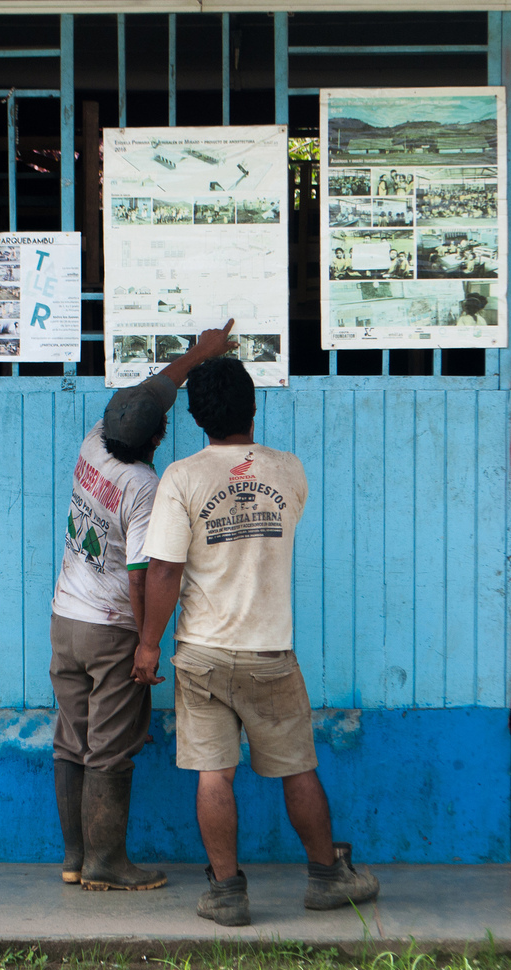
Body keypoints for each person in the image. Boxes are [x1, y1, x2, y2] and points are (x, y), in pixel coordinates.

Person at [132, 358, 380, 926]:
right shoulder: (288, 470)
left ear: (195, 416)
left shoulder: (182, 478)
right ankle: (326, 877)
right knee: (297, 768)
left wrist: (149, 646)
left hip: (201, 653)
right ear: (253, 406)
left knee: (214, 774)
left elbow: (164, 571)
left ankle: (226, 892)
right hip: (270, 652)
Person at [50, 319, 238, 892]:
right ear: (158, 442)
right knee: (108, 747)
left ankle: (76, 857)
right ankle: (107, 864)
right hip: (109, 630)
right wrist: (145, 644)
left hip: (65, 619)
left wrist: (192, 356)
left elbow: (149, 393)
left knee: (71, 738)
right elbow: (143, 575)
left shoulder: (92, 443)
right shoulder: (144, 487)